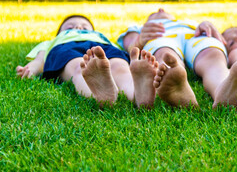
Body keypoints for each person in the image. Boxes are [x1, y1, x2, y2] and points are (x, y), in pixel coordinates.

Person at [117, 8, 237, 108]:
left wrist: (206, 25)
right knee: (165, 55)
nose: (160, 9)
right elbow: (130, 47)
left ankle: (223, 88)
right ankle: (176, 82)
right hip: (161, 38)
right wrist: (140, 39)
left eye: (162, 10)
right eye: (154, 13)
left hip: (196, 37)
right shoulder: (140, 27)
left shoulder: (190, 23)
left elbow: (222, 37)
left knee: (213, 55)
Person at [16, 15, 158, 108]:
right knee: (79, 68)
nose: (78, 27)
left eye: (84, 26)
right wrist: (31, 69)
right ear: (59, 33)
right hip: (67, 48)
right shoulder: (53, 41)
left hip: (103, 47)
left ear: (92, 30)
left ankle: (137, 93)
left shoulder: (102, 37)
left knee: (120, 67)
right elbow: (40, 58)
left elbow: (120, 51)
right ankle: (99, 95)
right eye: (70, 26)